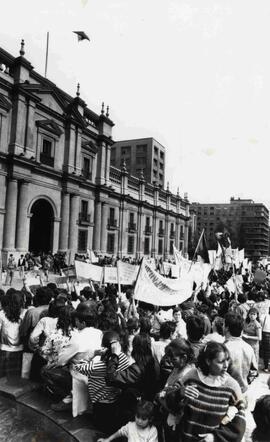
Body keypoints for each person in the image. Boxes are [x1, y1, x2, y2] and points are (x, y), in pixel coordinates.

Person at [165, 341, 246, 442]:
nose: (226, 365)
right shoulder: (192, 376)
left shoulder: (231, 385)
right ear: (208, 361)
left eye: (227, 360)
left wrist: (216, 437)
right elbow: (168, 398)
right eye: (221, 362)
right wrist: (180, 393)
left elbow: (241, 415)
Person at [74, 330, 130, 433]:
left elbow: (79, 366)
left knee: (100, 426)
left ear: (104, 348)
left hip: (101, 403)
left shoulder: (97, 366)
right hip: (116, 398)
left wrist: (94, 354)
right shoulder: (124, 358)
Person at [105, 333, 159, 427]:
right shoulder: (153, 361)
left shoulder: (137, 369)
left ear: (135, 348)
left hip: (133, 410)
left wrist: (114, 356)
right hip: (145, 405)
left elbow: (111, 378)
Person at [224, 311, 258, 393]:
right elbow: (254, 372)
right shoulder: (249, 348)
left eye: (223, 324)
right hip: (243, 391)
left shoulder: (223, 348)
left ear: (227, 328)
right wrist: (245, 382)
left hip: (226, 393)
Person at [0, 291, 25, 380]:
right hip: (19, 348)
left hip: (4, 348)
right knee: (14, 378)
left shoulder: (2, 313)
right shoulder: (24, 313)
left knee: (2, 377)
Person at [261, 306, 270, 372]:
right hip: (266, 333)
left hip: (265, 334)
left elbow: (261, 324)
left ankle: (266, 367)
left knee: (266, 352)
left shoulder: (265, 316)